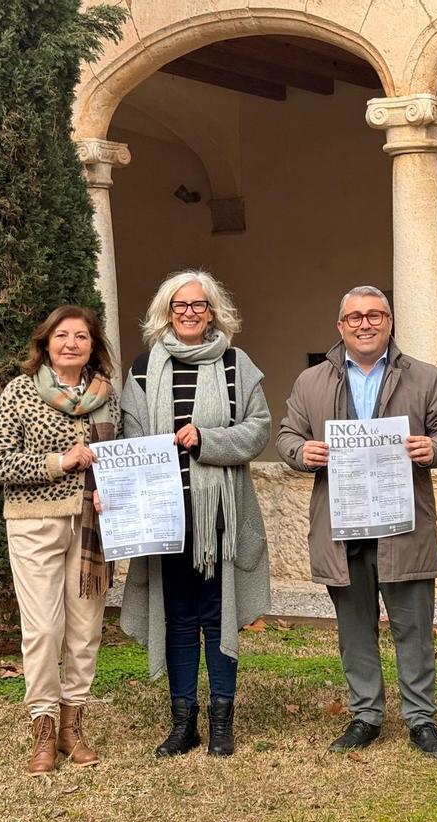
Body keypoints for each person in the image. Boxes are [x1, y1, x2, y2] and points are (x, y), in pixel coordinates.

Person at [276, 286, 437, 758]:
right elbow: (286, 435)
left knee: (414, 626)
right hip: (342, 525)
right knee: (355, 627)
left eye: (375, 315)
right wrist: (302, 452)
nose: (365, 323)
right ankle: (366, 716)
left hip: (404, 522)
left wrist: (434, 448)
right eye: (355, 316)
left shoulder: (422, 376)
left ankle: (421, 718)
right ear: (340, 326)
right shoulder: (311, 381)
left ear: (389, 322)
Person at [119, 270, 271, 758]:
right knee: (178, 620)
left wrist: (208, 440)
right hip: (164, 517)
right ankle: (183, 724)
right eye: (180, 305)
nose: (189, 313)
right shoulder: (143, 370)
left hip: (220, 515)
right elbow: (130, 440)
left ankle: (222, 722)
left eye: (198, 305)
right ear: (166, 312)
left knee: (217, 616)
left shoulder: (235, 363)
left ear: (213, 311)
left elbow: (258, 429)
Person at [0, 305, 119, 776]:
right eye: (62, 336)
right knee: (43, 628)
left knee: (85, 630)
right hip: (34, 524)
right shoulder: (19, 392)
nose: (71, 344)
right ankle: (41, 728)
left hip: (91, 528)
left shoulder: (106, 397)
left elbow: (117, 460)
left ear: (92, 346)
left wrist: (110, 491)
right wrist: (59, 463)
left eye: (81, 337)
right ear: (45, 344)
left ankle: (71, 729)